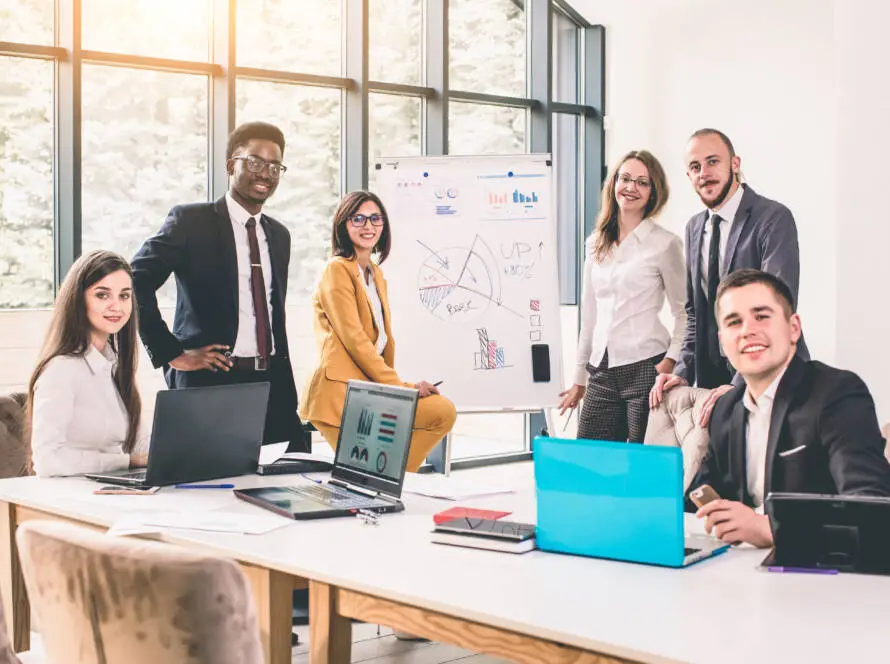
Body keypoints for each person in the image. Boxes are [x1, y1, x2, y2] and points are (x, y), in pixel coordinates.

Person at [131, 121, 306, 451]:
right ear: (231, 165)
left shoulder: (279, 235)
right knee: (207, 491)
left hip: (272, 387)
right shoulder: (190, 222)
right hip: (209, 384)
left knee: (291, 486)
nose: (265, 173)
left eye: (274, 166)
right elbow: (134, 279)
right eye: (255, 162)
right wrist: (170, 352)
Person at [689, 269, 890, 548]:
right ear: (723, 341)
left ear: (793, 328)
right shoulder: (725, 408)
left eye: (762, 316)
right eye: (734, 322)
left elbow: (871, 509)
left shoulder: (837, 393)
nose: (748, 330)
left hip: (824, 574)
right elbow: (700, 494)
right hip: (740, 570)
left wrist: (771, 529)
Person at [650, 128, 809, 426]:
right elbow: (695, 314)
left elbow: (776, 310)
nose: (704, 173)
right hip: (713, 380)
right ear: (688, 176)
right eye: (695, 167)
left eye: (713, 162)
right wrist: (681, 372)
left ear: (735, 164)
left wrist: (739, 384)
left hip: (769, 378)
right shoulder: (694, 227)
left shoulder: (773, 218)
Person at [299, 190, 457, 472]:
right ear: (343, 225)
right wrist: (402, 388)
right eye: (357, 218)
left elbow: (379, 344)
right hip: (339, 394)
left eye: (375, 218)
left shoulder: (375, 274)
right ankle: (384, 478)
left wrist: (399, 387)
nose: (367, 226)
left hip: (369, 391)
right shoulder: (337, 270)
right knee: (366, 474)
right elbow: (356, 341)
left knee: (441, 412)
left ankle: (389, 476)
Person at [558, 150, 685, 442]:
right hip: (601, 370)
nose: (631, 187)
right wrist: (580, 378)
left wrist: (670, 361)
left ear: (654, 192)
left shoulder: (665, 244)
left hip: (646, 366)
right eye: (625, 178)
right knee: (591, 462)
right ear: (613, 183)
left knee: (640, 465)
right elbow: (589, 318)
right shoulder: (595, 244)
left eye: (642, 182)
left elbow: (684, 313)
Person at [28, 251, 148, 477]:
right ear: (78, 300)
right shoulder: (61, 369)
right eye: (102, 295)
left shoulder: (114, 366)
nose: (117, 306)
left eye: (124, 296)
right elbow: (46, 460)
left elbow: (141, 445)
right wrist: (125, 462)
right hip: (71, 496)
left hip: (112, 489)